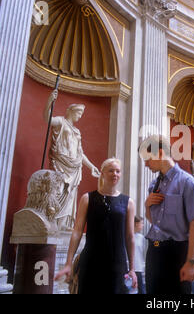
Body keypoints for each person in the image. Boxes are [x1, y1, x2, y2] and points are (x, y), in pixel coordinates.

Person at [54, 158, 137, 294]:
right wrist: (68, 263)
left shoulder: (128, 202)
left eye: (118, 171)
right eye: (111, 170)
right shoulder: (87, 198)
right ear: (102, 173)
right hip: (91, 262)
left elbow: (130, 237)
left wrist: (132, 269)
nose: (115, 174)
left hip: (117, 264)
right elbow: (77, 232)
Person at [139, 135, 194, 294]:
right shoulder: (154, 185)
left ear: (160, 153)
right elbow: (153, 221)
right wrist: (147, 206)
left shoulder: (187, 182)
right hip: (154, 251)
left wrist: (191, 262)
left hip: (177, 252)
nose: (146, 164)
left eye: (148, 159)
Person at [44, 89, 100, 230]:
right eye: (78, 113)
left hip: (74, 167)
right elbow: (47, 119)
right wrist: (49, 102)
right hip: (60, 162)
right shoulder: (60, 122)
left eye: (81, 114)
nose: (79, 117)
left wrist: (91, 166)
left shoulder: (77, 131)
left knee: (70, 194)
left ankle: (63, 224)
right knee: (58, 190)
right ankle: (52, 222)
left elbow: (80, 153)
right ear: (70, 111)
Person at [134, 216, 147, 294]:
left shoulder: (141, 238)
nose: (143, 225)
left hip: (139, 269)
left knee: (141, 291)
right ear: (136, 224)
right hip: (129, 268)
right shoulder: (127, 236)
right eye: (142, 223)